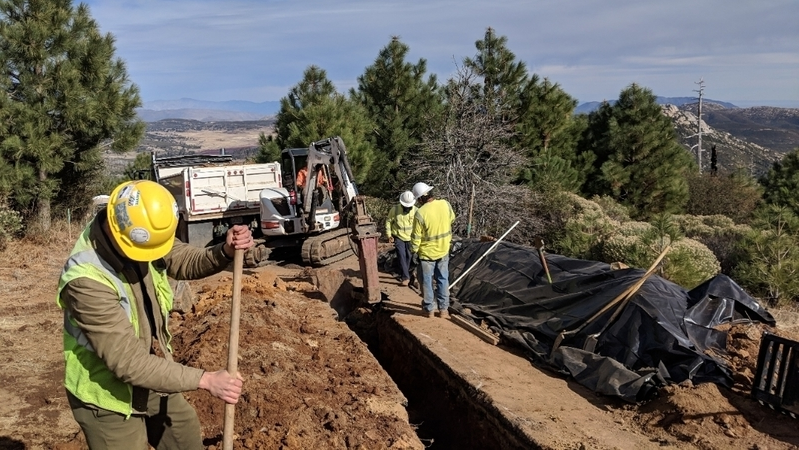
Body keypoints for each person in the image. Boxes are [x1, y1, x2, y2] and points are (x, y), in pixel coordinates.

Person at [56, 180, 255, 450]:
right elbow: (128, 363)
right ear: (119, 233)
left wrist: (224, 251)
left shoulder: (139, 231)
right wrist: (205, 379)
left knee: (183, 432)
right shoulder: (86, 281)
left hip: (147, 373)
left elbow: (179, 258)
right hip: (106, 394)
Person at [410, 182, 456, 319]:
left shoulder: (420, 213)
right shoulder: (445, 204)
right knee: (443, 279)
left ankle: (429, 309)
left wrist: (413, 251)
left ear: (420, 199)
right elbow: (452, 219)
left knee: (427, 282)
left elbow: (416, 237)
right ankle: (444, 310)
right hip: (443, 249)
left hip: (426, 254)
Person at [385, 191, 417, 286]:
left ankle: (404, 273)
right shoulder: (394, 210)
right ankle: (405, 277)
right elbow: (388, 222)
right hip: (398, 237)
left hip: (410, 237)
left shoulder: (416, 211)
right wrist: (389, 235)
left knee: (409, 256)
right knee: (401, 255)